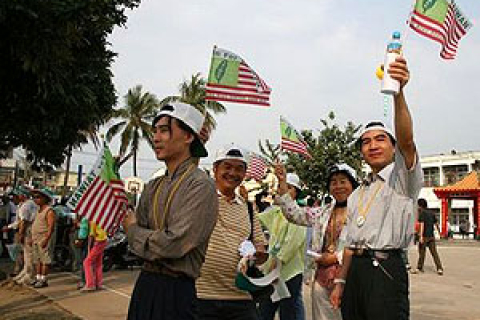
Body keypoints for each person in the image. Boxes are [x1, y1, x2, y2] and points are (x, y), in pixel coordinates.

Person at [330, 56, 423, 320]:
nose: (373, 145)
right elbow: (349, 242)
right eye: (366, 142)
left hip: (385, 270)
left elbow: (407, 140)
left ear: (393, 148)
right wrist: (340, 282)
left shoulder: (402, 179)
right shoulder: (358, 192)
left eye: (381, 139)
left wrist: (399, 93)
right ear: (361, 152)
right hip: (355, 271)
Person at [123, 102, 218, 320]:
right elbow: (140, 245)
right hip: (145, 285)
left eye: (164, 130)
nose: (156, 138)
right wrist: (145, 238)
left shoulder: (201, 185)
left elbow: (175, 244)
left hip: (176, 291)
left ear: (188, 137)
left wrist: (133, 231)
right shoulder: (152, 186)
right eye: (154, 131)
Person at [275, 163, 358, 320]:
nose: (338, 186)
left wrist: (336, 257)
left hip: (351, 278)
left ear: (352, 184)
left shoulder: (362, 212)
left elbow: (365, 244)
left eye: (343, 181)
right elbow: (293, 214)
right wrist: (282, 183)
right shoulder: (323, 211)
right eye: (333, 182)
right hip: (322, 278)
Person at [195, 145, 267, 320]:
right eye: (227, 167)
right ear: (215, 169)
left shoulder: (249, 209)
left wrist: (258, 255)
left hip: (241, 297)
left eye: (239, 169)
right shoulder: (200, 198)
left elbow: (260, 246)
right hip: (201, 296)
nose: (233, 173)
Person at [258, 172, 307, 320]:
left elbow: (293, 242)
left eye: (289, 188)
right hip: (271, 271)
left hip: (289, 272)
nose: (283, 190)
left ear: (295, 192)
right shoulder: (276, 211)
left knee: (289, 312)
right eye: (281, 187)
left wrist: (277, 261)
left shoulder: (299, 214)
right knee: (265, 310)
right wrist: (246, 202)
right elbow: (257, 220)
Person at [6, 187, 37, 283]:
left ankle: (29, 274)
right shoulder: (24, 204)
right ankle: (25, 271)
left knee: (29, 253)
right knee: (26, 253)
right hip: (28, 230)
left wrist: (20, 234)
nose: (13, 199)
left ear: (21, 196)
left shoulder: (26, 206)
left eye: (15, 196)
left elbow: (23, 222)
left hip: (28, 231)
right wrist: (10, 227)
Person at [30, 187, 56, 288]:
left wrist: (46, 239)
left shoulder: (49, 211)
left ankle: (43, 279)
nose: (35, 199)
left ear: (45, 198)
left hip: (43, 238)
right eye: (34, 197)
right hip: (36, 238)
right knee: (37, 260)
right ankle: (38, 277)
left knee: (45, 260)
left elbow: (50, 227)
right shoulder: (38, 210)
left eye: (38, 197)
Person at [412, 199, 443, 275]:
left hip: (425, 236)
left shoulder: (422, 213)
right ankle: (439, 268)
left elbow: (422, 225)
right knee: (434, 253)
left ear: (420, 205)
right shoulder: (432, 212)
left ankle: (419, 268)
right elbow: (436, 223)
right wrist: (440, 233)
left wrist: (421, 236)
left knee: (422, 252)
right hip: (431, 236)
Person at [81, 221, 107, 291]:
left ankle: (90, 284)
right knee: (98, 263)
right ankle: (99, 284)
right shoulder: (101, 217)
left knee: (87, 262)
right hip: (103, 240)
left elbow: (91, 235)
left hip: (98, 241)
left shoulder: (93, 220)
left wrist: (89, 248)